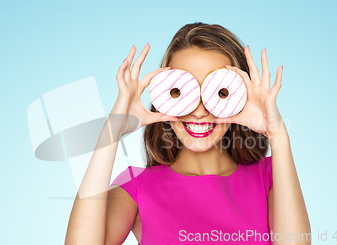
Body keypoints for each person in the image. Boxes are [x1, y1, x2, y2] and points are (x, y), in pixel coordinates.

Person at [65, 22, 311, 245]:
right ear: (164, 96)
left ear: (241, 97)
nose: (200, 111)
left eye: (220, 93)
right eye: (182, 92)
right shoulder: (135, 187)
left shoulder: (269, 177)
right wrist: (113, 130)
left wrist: (278, 134)